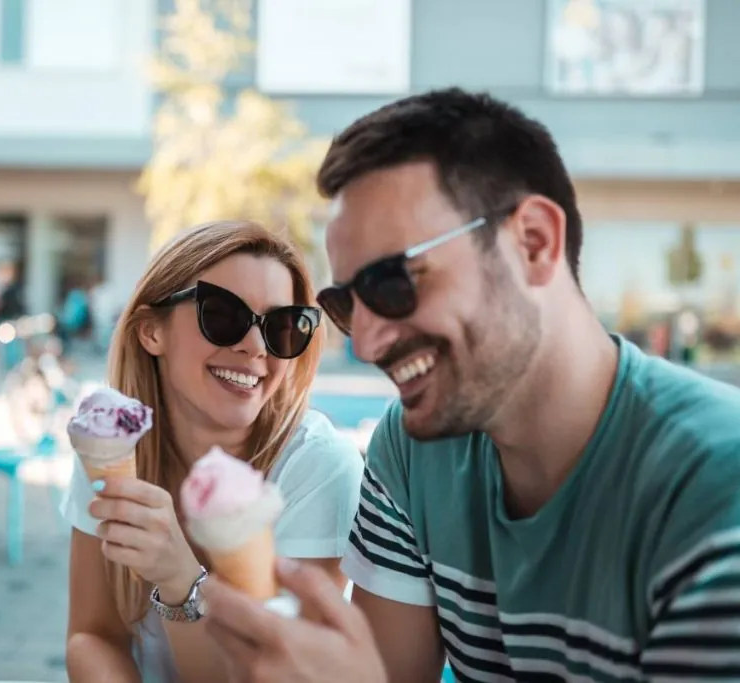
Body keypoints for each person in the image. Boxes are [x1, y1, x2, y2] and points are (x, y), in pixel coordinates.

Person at [201, 88, 740, 681]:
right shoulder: (410, 451)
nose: (367, 343)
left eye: (393, 283)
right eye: (345, 303)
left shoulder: (716, 488)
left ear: (533, 242)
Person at [62, 221, 364, 683]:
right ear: (150, 332)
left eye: (284, 327)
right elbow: (93, 635)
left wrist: (182, 579)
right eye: (223, 316)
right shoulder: (112, 444)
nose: (255, 347)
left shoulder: (319, 468)